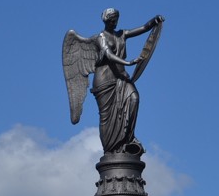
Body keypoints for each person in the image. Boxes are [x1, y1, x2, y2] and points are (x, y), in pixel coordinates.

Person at [63, 9, 164, 154]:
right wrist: (128, 62)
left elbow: (143, 28)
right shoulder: (100, 38)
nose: (114, 23)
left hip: (121, 78)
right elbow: (109, 55)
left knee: (134, 99)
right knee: (106, 117)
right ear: (106, 21)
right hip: (104, 81)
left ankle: (128, 139)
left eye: (116, 20)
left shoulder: (122, 34)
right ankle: (110, 149)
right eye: (111, 20)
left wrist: (154, 21)